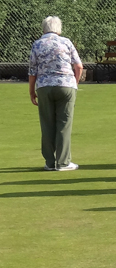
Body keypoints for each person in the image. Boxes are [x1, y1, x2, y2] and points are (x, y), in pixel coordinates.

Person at [28, 16, 83, 171]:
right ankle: (63, 162)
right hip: (66, 85)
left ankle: (50, 162)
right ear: (58, 28)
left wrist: (31, 91)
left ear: (44, 28)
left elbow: (32, 71)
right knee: (64, 123)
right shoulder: (66, 42)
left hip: (44, 86)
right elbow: (79, 66)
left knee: (47, 123)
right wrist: (74, 83)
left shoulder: (37, 44)